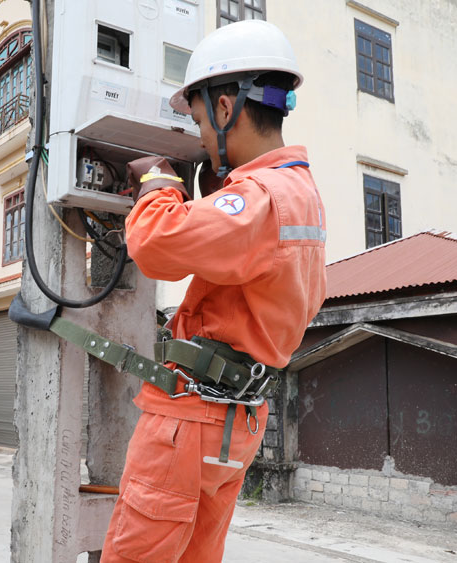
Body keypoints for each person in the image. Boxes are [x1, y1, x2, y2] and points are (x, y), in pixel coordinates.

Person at [100, 20, 327, 562]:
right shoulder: (302, 192)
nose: (200, 136)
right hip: (236, 421)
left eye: (200, 119)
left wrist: (159, 183)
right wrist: (211, 196)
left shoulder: (260, 197)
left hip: (190, 422)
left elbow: (154, 244)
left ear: (226, 110)